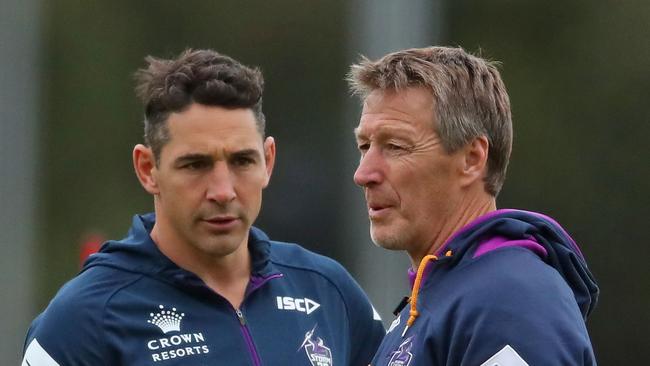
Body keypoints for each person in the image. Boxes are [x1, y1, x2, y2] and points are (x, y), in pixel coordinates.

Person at [23, 49, 384, 366]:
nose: (223, 191)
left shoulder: (327, 290)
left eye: (242, 161)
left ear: (268, 161)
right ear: (148, 170)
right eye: (196, 165)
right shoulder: (84, 320)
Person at [347, 46, 599, 365]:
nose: (363, 174)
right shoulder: (441, 299)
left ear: (472, 158)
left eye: (395, 146)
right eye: (364, 146)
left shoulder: (508, 298)